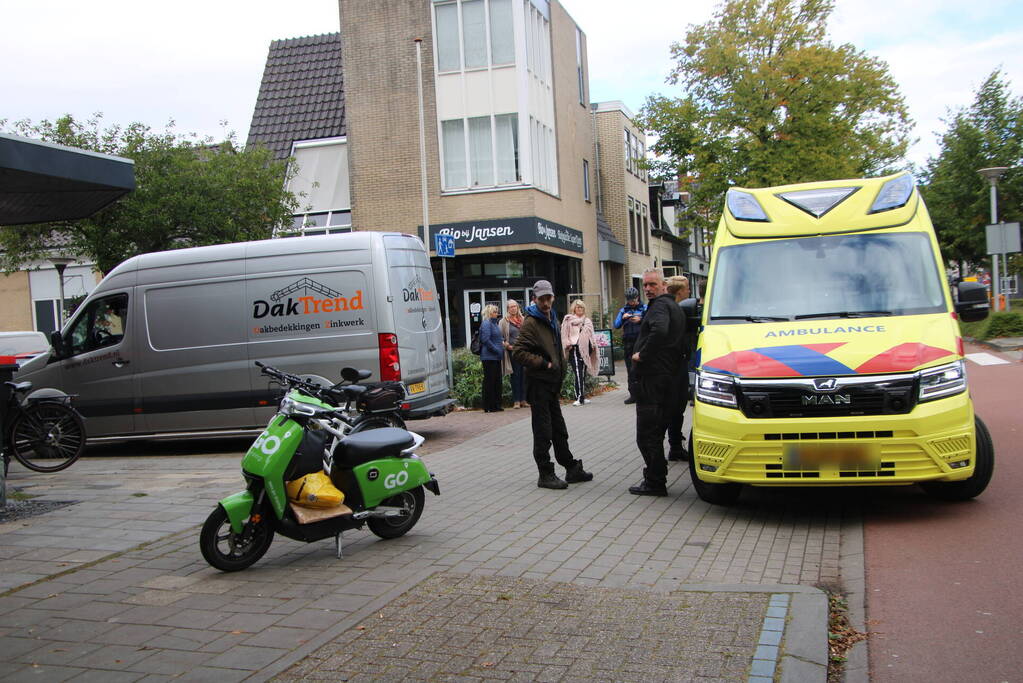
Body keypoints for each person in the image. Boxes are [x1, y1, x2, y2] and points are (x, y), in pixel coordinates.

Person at [512, 280, 593, 489]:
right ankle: (545, 474)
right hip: (539, 384)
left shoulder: (552, 316)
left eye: (549, 298)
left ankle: (571, 468)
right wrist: (544, 364)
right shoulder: (531, 321)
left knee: (559, 429)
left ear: (553, 297)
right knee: (543, 431)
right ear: (534, 299)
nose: (546, 303)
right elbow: (519, 352)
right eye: (542, 299)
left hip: (551, 384)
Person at [628, 268, 685, 496]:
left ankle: (654, 481)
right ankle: (655, 477)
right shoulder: (674, 307)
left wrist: (642, 354)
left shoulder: (661, 306)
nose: (648, 289)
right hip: (668, 379)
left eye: (652, 284)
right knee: (655, 431)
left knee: (647, 434)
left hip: (653, 381)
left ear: (663, 285)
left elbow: (660, 331)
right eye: (645, 285)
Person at [665, 275, 692, 461]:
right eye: (687, 288)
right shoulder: (674, 311)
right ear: (680, 291)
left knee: (678, 407)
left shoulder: (678, 309)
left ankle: (675, 444)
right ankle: (674, 445)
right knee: (674, 407)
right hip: (674, 367)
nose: (689, 291)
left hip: (679, 364)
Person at [560, 299, 598, 406]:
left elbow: (591, 334)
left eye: (581, 307)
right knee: (578, 373)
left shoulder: (587, 321)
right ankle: (579, 397)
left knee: (583, 373)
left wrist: (593, 344)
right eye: (578, 307)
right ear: (574, 309)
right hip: (575, 349)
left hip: (586, 350)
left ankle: (582, 396)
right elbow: (564, 334)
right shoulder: (568, 320)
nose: (580, 309)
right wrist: (568, 344)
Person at [614, 287, 646, 404]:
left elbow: (650, 322)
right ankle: (633, 394)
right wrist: (623, 319)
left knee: (642, 368)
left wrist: (641, 319)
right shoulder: (623, 310)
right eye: (629, 300)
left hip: (641, 342)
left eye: (633, 300)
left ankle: (643, 393)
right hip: (628, 343)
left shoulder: (644, 308)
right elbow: (616, 325)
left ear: (637, 297)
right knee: (630, 369)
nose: (631, 302)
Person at [500, 299, 527, 408]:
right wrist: (506, 345)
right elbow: (500, 337)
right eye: (511, 307)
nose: (513, 308)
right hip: (512, 352)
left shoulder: (523, 320)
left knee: (524, 375)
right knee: (515, 376)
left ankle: (524, 400)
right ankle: (516, 400)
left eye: (515, 306)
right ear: (507, 309)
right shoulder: (504, 321)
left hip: (524, 351)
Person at [479, 304, 504, 413]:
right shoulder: (486, 323)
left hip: (497, 357)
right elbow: (486, 340)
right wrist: (496, 350)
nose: (497, 313)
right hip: (489, 357)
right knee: (489, 381)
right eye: (494, 311)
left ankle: (496, 405)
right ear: (489, 313)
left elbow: (497, 338)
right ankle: (488, 405)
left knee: (497, 381)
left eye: (497, 311)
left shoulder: (495, 324)